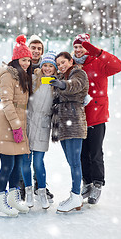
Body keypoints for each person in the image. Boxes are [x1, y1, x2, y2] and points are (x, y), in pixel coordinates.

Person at [0, 35, 54, 202]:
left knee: (34, 158)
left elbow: (44, 81)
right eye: (33, 48)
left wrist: (58, 82)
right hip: (17, 117)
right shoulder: (14, 69)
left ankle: (37, 185)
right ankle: (19, 188)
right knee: (18, 160)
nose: (35, 52)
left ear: (42, 52)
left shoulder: (44, 67)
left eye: (39, 49)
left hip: (33, 117)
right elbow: (5, 84)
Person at [72, 33, 121, 204]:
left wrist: (98, 52)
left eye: (82, 47)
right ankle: (87, 183)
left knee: (95, 153)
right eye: (76, 47)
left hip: (96, 115)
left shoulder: (99, 62)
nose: (79, 50)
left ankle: (98, 183)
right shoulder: (73, 65)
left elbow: (118, 66)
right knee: (81, 153)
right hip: (78, 117)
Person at [0, 35, 32, 217]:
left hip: (19, 123)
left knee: (18, 164)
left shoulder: (23, 76)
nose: (27, 63)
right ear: (16, 59)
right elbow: (6, 102)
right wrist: (15, 126)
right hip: (6, 124)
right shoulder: (8, 75)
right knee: (7, 165)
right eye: (24, 59)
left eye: (29, 60)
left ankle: (14, 198)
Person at [50, 52, 89, 212]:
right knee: (71, 162)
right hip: (63, 125)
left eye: (63, 62)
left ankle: (75, 195)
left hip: (73, 122)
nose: (61, 66)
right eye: (58, 64)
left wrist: (62, 85)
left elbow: (75, 85)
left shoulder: (78, 73)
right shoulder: (61, 75)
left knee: (74, 162)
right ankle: (75, 196)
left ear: (71, 61)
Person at [22, 51, 57, 209]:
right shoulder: (34, 79)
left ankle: (41, 191)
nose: (47, 68)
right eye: (45, 65)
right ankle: (28, 191)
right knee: (25, 161)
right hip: (28, 123)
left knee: (38, 162)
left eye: (51, 66)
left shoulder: (56, 83)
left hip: (43, 125)